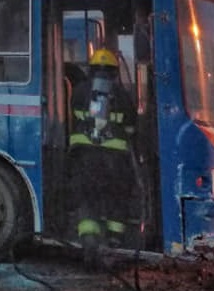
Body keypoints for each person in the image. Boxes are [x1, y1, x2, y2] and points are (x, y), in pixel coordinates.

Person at [67, 48, 138, 265]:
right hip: (115, 160)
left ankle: (89, 240)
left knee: (87, 198)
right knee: (116, 198)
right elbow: (131, 127)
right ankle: (114, 240)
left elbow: (72, 116)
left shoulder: (79, 91)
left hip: (84, 157)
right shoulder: (122, 94)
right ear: (115, 72)